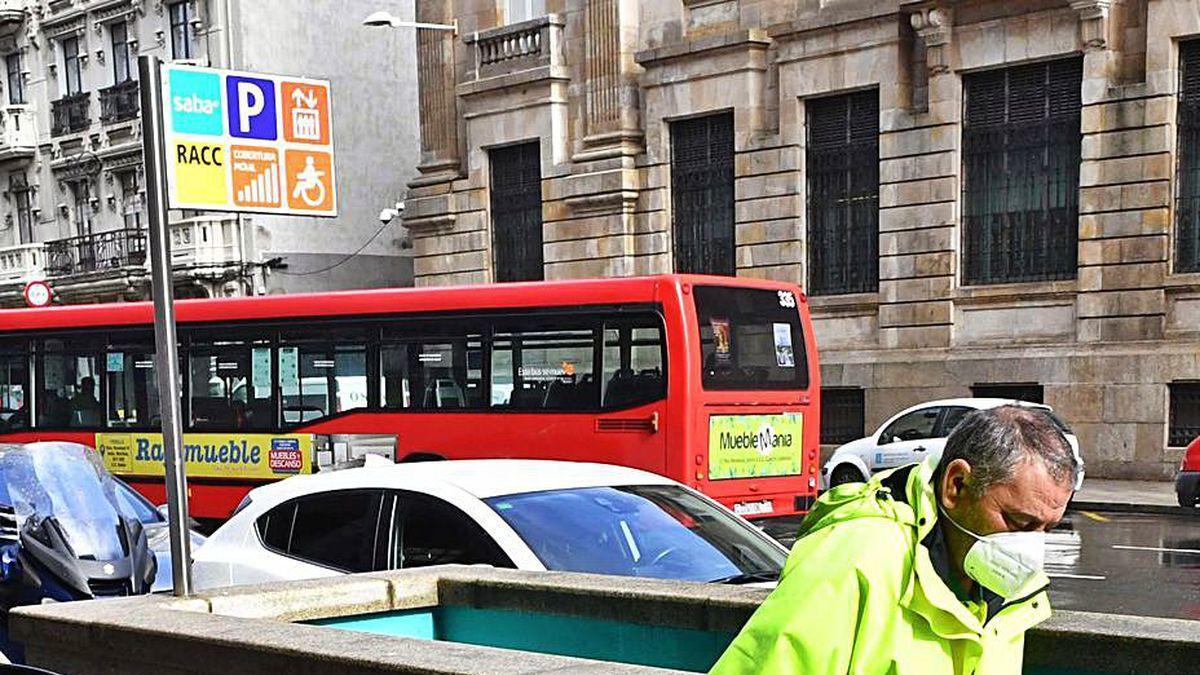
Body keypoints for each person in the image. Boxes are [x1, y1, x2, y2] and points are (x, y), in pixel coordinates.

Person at [710, 405, 1083, 675]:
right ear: (956, 486)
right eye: (1019, 521)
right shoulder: (857, 556)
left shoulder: (1012, 591)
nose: (1031, 549)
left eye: (1047, 528)